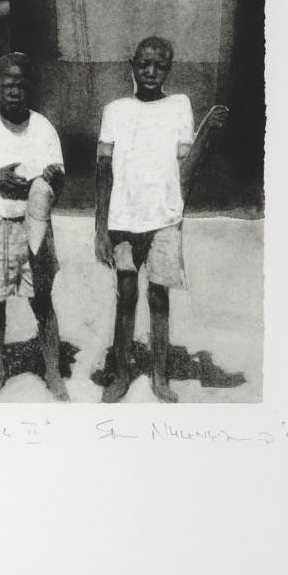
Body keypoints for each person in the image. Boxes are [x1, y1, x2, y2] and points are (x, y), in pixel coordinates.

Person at [95, 35, 211, 403]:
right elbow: (103, 168)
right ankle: (120, 374)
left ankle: (161, 376)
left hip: (163, 218)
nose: (151, 71)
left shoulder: (180, 105)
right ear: (132, 65)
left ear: (169, 68)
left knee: (159, 297)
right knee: (126, 293)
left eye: (159, 65)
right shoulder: (115, 110)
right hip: (123, 219)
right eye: (144, 64)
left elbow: (186, 166)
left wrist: (207, 131)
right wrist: (100, 226)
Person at [0, 53, 69, 399]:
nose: (15, 91)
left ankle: (53, 373)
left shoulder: (43, 127)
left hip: (33, 223)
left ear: (30, 88)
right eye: (8, 85)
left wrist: (53, 176)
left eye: (21, 85)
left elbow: (57, 176)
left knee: (42, 299)